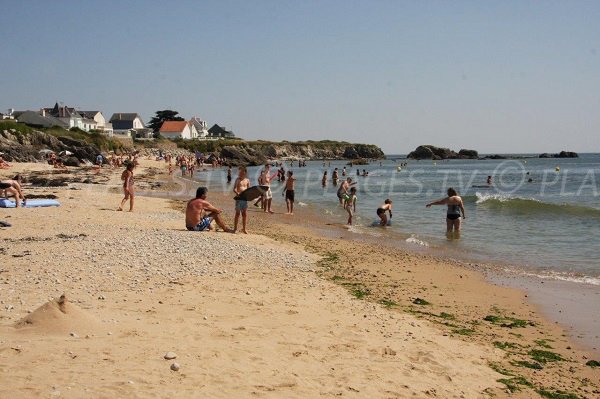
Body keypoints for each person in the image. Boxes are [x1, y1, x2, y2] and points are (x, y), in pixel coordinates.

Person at [233, 166, 250, 234]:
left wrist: (250, 196)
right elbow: (234, 189)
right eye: (239, 172)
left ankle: (244, 228)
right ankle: (235, 228)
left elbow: (249, 190)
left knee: (244, 214)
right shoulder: (237, 180)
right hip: (239, 198)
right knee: (237, 214)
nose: (240, 174)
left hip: (245, 199)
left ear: (245, 173)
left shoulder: (247, 180)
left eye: (242, 172)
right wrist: (237, 193)